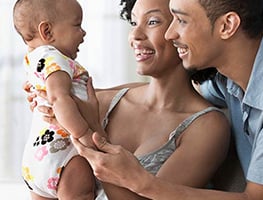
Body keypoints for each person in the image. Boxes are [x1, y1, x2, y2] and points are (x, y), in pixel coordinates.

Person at [28, 0, 231, 199]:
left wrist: (94, 129)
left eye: (152, 22)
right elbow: (45, 170)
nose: (135, 35)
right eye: (134, 23)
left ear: (182, 29)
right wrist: (42, 90)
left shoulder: (207, 126)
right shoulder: (105, 98)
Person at [73, 0, 263, 199]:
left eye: (181, 20)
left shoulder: (207, 125)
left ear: (227, 25)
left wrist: (140, 181)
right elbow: (176, 92)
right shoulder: (225, 83)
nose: (170, 34)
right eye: (134, 22)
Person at [13, 0, 102, 199]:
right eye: (77, 25)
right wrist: (85, 133)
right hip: (65, 154)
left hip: (36, 159)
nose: (84, 33)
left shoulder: (34, 58)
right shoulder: (56, 59)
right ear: (47, 32)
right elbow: (59, 99)